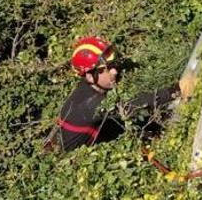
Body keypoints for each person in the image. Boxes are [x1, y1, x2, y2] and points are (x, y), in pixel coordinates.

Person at [45, 36, 178, 152]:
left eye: (113, 65)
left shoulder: (90, 89)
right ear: (90, 76)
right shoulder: (87, 105)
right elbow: (132, 104)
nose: (114, 71)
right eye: (106, 69)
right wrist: (173, 91)